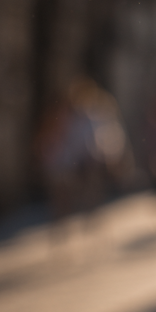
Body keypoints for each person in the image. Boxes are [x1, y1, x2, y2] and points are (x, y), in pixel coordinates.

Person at [36, 77, 126, 234]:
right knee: (66, 198)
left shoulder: (94, 115)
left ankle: (87, 223)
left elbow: (106, 137)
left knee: (87, 196)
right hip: (71, 164)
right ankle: (66, 225)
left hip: (87, 162)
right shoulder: (70, 117)